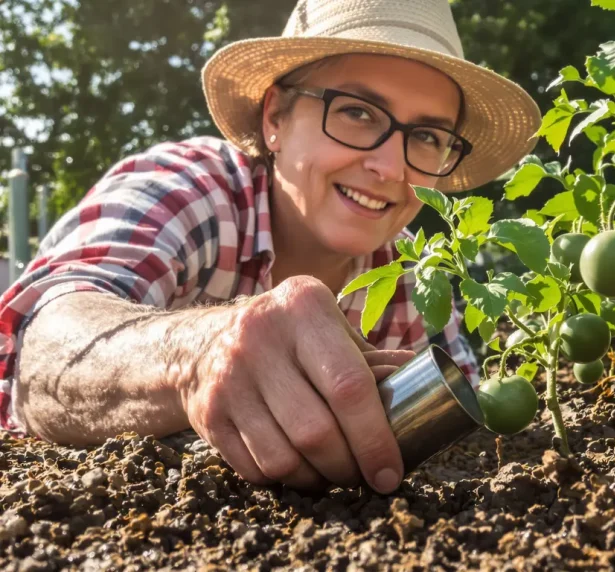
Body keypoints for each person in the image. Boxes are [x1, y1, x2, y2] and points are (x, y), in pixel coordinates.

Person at [0, 0, 540, 494]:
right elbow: (43, 347)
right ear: (274, 117)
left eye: (426, 137)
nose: (391, 168)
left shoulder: (414, 279)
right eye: (357, 112)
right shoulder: (190, 189)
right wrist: (196, 355)